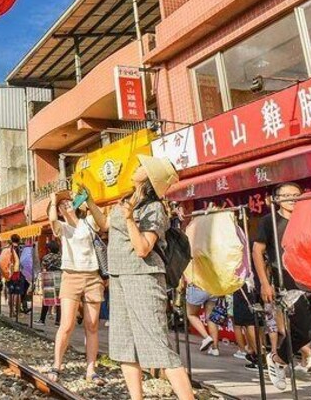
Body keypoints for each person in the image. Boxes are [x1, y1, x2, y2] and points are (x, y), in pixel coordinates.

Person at [84, 155, 195, 400]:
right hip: (119, 276)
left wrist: (130, 219)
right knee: (125, 345)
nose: (136, 166)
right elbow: (105, 226)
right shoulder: (126, 200)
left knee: (157, 345)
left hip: (143, 276)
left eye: (142, 166)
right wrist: (91, 201)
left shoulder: (154, 208)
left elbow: (143, 248)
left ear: (150, 178)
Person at [254, 182, 311, 399]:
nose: (292, 198)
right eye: (286, 195)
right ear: (276, 198)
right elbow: (258, 251)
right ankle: (278, 359)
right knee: (304, 329)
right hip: (289, 283)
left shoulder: (308, 218)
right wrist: (265, 283)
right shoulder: (269, 222)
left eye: (296, 194)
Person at [45, 191, 106, 385]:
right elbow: (52, 222)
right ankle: (57, 364)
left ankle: (91, 370)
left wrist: (89, 199)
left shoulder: (88, 222)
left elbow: (102, 221)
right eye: (61, 205)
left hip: (92, 276)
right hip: (70, 276)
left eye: (68, 202)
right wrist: (54, 201)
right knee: (67, 324)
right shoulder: (62, 227)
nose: (66, 205)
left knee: (92, 324)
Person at [185, 283, 221, 356]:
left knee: (191, 314)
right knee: (210, 317)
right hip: (213, 287)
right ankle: (215, 348)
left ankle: (206, 337)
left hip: (198, 286)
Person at [39, 240, 62, 326]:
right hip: (59, 276)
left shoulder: (46, 257)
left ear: (49, 249)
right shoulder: (61, 257)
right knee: (59, 300)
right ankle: (58, 321)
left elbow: (44, 269)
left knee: (47, 299)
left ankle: (42, 320)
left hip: (49, 276)